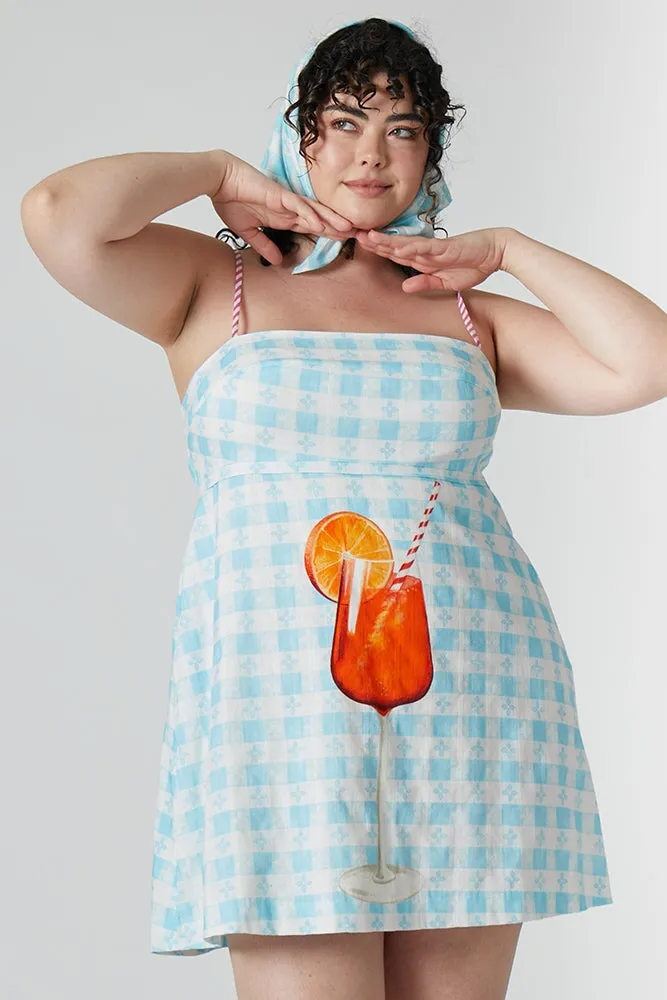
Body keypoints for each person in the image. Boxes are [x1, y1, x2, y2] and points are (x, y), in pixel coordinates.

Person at [20, 15, 667, 1000]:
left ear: (430, 158)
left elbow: (645, 360)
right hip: (280, 713)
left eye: (403, 129)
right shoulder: (212, 282)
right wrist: (212, 172)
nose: (372, 150)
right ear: (302, 136)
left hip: (473, 698)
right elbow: (58, 211)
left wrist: (509, 248)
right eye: (345, 120)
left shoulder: (462, 310)